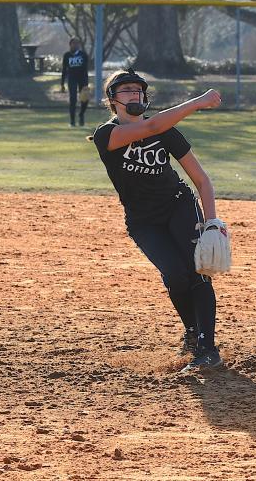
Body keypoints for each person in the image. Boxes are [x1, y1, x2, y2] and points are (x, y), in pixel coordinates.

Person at [89, 70, 226, 372]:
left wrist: (212, 222)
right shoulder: (106, 135)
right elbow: (151, 125)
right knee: (174, 275)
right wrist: (198, 102)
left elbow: (202, 180)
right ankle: (192, 331)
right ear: (112, 99)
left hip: (179, 206)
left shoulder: (166, 132)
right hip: (143, 221)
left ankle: (207, 349)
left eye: (138, 90)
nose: (134, 94)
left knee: (197, 271)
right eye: (126, 90)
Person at [61, 37, 90, 127]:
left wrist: (86, 82)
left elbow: (86, 69)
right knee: (73, 99)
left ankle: (81, 115)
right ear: (70, 44)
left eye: (77, 43)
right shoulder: (67, 55)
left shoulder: (83, 55)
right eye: (73, 43)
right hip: (72, 79)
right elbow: (64, 69)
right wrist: (62, 83)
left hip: (82, 79)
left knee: (84, 99)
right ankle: (72, 121)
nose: (75, 45)